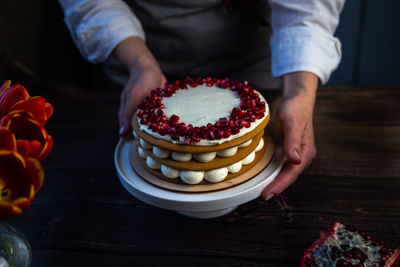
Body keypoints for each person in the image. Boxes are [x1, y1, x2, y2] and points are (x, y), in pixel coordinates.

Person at [59, 0, 345, 200]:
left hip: (255, 61)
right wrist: (141, 65)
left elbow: (308, 7)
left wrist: (299, 94)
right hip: (140, 57)